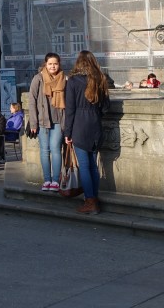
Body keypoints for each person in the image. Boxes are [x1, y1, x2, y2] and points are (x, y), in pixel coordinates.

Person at [63, 50, 111, 215]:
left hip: (79, 125)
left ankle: (90, 201)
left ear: (78, 63)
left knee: (84, 166)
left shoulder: (73, 81)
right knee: (93, 166)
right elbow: (106, 108)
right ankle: (93, 199)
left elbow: (70, 109)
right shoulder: (100, 80)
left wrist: (67, 132)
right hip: (95, 124)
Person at [28, 52, 66, 192]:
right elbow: (32, 101)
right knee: (44, 151)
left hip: (58, 120)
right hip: (42, 121)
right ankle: (47, 180)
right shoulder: (38, 79)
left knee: (56, 149)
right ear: (45, 64)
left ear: (59, 64)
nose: (52, 66)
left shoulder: (64, 79)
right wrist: (33, 123)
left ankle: (55, 180)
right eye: (50, 64)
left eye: (55, 63)